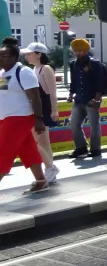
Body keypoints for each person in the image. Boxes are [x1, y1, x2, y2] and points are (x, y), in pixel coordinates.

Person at [0, 39, 49, 194]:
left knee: (3, 151)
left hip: (20, 117)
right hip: (7, 117)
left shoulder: (23, 72)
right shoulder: (4, 73)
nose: (0, 59)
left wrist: (39, 120)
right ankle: (41, 181)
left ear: (15, 57)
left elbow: (35, 97)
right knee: (27, 149)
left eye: (4, 56)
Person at [22, 43, 59, 184]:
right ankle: (50, 169)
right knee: (42, 141)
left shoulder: (46, 69)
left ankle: (50, 170)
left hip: (45, 106)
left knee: (43, 141)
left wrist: (54, 110)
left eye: (30, 54)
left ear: (39, 54)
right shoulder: (34, 69)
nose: (27, 56)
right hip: (37, 106)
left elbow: (52, 92)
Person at [67, 38, 106, 158]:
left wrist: (97, 99)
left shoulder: (94, 63)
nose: (79, 53)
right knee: (74, 123)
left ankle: (95, 149)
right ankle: (81, 147)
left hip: (91, 99)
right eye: (76, 51)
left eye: (81, 51)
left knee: (94, 125)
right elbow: (73, 81)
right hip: (78, 99)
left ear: (86, 51)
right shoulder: (73, 64)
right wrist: (71, 94)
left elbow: (100, 82)